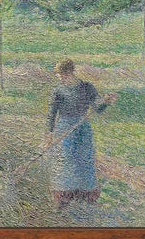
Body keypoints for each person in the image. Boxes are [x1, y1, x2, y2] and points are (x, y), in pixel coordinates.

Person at [45, 59, 117, 209]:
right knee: (65, 161)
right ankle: (63, 199)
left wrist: (106, 102)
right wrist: (49, 133)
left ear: (69, 73)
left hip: (82, 129)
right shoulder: (58, 91)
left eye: (62, 75)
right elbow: (52, 114)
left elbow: (97, 108)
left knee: (84, 159)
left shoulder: (87, 88)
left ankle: (85, 197)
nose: (60, 78)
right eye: (59, 76)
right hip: (64, 128)